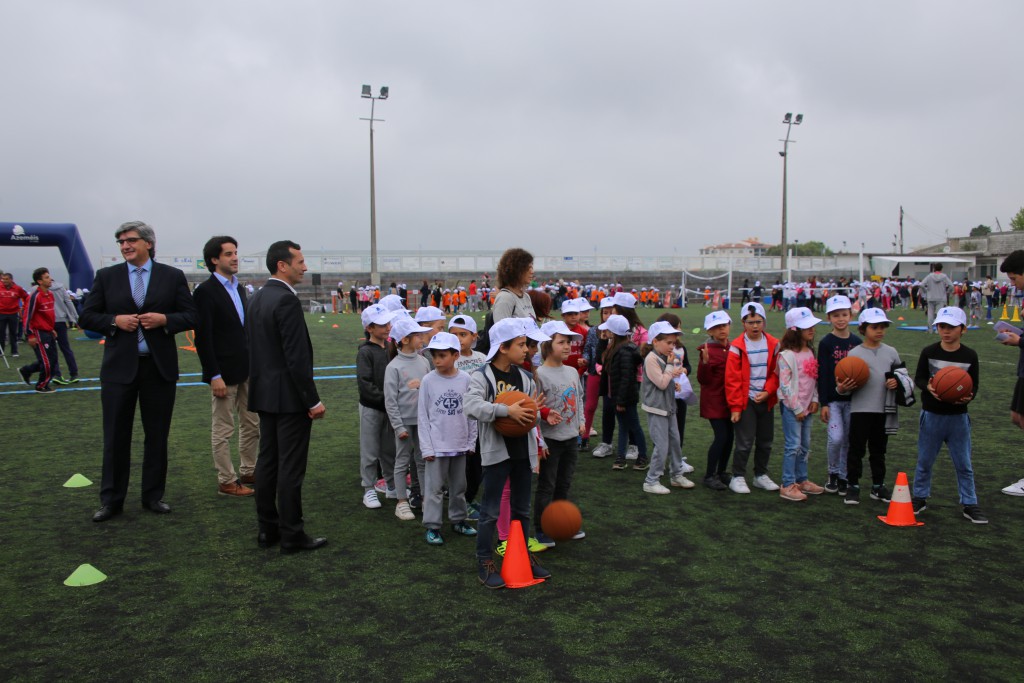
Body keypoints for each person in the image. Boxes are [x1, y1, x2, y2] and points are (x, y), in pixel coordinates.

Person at [80, 221, 198, 522]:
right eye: (120, 241)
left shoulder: (172, 277)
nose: (124, 246)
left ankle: (153, 496)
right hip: (118, 370)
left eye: (130, 240)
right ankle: (111, 500)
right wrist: (114, 321)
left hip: (158, 370)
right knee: (115, 436)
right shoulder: (107, 277)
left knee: (156, 436)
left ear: (148, 243)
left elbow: (191, 315)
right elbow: (87, 316)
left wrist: (165, 320)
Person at [247, 240, 327, 553]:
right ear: (283, 264)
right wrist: (312, 400)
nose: (305, 267)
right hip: (290, 399)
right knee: (290, 468)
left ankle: (268, 529)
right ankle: (292, 534)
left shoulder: (256, 298)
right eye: (300, 261)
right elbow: (296, 358)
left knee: (267, 463)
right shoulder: (286, 301)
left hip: (264, 394)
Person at [465, 317, 548, 589]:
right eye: (521, 344)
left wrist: (533, 413)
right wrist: (505, 410)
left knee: (522, 510)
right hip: (496, 454)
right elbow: (472, 406)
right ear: (503, 347)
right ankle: (484, 561)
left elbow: (530, 419)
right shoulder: (481, 376)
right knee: (489, 512)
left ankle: (523, 554)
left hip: (522, 453)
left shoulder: (525, 378)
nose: (527, 350)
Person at [193, 236, 258, 498]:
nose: (235, 258)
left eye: (236, 253)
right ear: (214, 259)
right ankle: (227, 480)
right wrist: (214, 375)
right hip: (223, 374)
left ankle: (249, 470)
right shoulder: (205, 292)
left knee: (252, 423)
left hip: (247, 369)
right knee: (223, 429)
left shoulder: (239, 288)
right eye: (229, 254)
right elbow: (203, 337)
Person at [911, 306, 986, 523]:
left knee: (964, 463)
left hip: (958, 418)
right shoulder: (929, 351)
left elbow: (974, 386)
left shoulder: (970, 355)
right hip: (932, 415)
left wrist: (968, 397)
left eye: (951, 327)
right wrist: (929, 388)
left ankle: (970, 503)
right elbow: (920, 378)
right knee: (925, 460)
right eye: (942, 326)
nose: (946, 331)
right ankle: (920, 497)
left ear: (963, 329)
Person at [418, 331, 479, 545]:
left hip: (460, 445)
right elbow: (423, 416)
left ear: (455, 356)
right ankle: (433, 526)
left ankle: (458, 520)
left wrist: (471, 442)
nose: (436, 360)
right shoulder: (428, 380)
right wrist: (427, 447)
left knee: (459, 487)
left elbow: (472, 414)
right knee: (434, 490)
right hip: (437, 447)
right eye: (434, 355)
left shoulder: (466, 379)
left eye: (442, 355)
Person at [838, 307, 900, 506]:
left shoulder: (891, 352)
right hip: (860, 410)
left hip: (883, 410)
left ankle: (878, 486)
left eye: (883, 326)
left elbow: (904, 378)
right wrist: (841, 388)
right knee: (856, 450)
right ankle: (853, 485)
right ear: (863, 329)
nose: (879, 330)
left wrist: (896, 382)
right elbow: (843, 386)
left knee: (879, 450)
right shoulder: (854, 354)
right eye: (875, 327)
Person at [533, 320, 586, 544]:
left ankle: (560, 523)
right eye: (561, 342)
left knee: (564, 483)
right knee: (547, 485)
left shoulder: (573, 371)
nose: (567, 347)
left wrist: (581, 421)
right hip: (551, 441)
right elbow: (534, 410)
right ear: (546, 345)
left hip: (571, 437)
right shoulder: (539, 375)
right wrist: (540, 443)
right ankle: (542, 529)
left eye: (569, 343)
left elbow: (579, 398)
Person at [725, 302, 780, 494]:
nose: (755, 326)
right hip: (745, 399)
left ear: (764, 322)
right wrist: (735, 407)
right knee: (745, 441)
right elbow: (732, 378)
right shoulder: (737, 346)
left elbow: (776, 372)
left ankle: (760, 475)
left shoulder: (773, 344)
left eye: (758, 322)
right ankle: (737, 476)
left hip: (765, 399)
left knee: (766, 440)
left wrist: (768, 391)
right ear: (743, 323)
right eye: (751, 322)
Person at [385, 316, 434, 521]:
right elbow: (390, 400)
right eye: (418, 335)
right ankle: (401, 502)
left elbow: (430, 392)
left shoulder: (424, 361)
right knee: (402, 460)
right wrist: (398, 426)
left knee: (422, 460)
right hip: (404, 423)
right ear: (405, 340)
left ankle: (425, 498)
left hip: (422, 421)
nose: (423, 338)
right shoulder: (394, 367)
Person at [776, 307, 825, 501]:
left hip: (807, 406)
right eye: (807, 326)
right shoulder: (786, 355)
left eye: (812, 325)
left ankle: (802, 479)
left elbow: (813, 378)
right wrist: (796, 408)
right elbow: (785, 385)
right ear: (794, 329)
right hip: (792, 407)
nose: (812, 329)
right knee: (793, 445)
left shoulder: (810, 351)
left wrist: (814, 399)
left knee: (805, 445)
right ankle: (788, 484)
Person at [639, 320, 693, 494]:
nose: (672, 346)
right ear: (655, 341)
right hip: (657, 409)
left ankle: (676, 474)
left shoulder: (664, 357)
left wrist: (674, 384)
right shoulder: (651, 359)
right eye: (668, 342)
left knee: (675, 442)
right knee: (661, 445)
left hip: (669, 407)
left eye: (674, 343)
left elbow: (666, 381)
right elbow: (661, 383)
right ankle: (651, 480)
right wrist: (670, 370)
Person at [816, 295, 861, 496]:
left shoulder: (857, 342)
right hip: (834, 400)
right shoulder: (826, 343)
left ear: (850, 315)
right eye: (836, 315)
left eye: (844, 314)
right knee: (836, 438)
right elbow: (823, 374)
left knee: (849, 439)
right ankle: (832, 472)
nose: (841, 319)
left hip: (854, 400)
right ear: (829, 317)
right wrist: (824, 402)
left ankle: (844, 475)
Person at [356, 303, 399, 509]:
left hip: (390, 408)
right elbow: (365, 384)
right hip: (372, 408)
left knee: (390, 449)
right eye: (381, 325)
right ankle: (369, 489)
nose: (387, 327)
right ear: (370, 328)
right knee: (370, 449)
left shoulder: (392, 348)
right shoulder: (365, 352)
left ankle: (391, 486)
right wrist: (387, 400)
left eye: (388, 323)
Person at [602, 314, 647, 471]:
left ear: (614, 333)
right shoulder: (619, 348)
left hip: (625, 398)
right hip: (619, 396)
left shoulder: (625, 351)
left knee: (634, 426)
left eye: (608, 330)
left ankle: (642, 456)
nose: (605, 332)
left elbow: (626, 378)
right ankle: (621, 456)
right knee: (623, 426)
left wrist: (621, 401)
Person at [697, 310, 733, 490]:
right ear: (709, 331)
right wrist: (704, 363)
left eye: (724, 325)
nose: (721, 330)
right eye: (716, 327)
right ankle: (710, 474)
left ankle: (721, 472)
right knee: (722, 436)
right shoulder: (707, 350)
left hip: (730, 401)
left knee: (730, 437)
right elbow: (703, 380)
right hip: (714, 401)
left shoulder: (732, 347)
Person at [19, 267, 58, 394]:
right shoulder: (35, 296)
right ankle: (41, 385)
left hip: (48, 331)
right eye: (46, 277)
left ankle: (26, 370)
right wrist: (30, 335)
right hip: (38, 333)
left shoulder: (50, 295)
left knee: (52, 360)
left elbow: (49, 315)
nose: (50, 279)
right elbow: (27, 316)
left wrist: (51, 329)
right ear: (39, 281)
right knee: (47, 362)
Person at [48, 279, 80, 385]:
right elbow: (69, 302)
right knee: (66, 348)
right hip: (61, 320)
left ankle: (57, 374)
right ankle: (74, 373)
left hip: (48, 321)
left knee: (52, 350)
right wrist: (76, 318)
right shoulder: (61, 287)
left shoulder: (40, 289)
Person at [491, 248, 537, 322]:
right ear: (516, 270)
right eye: (528, 267)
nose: (532, 271)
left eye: (532, 267)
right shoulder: (505, 298)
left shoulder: (526, 296)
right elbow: (502, 331)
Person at [0, 272, 29, 358]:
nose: (4, 281)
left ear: (11, 280)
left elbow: (26, 297)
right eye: (3, 279)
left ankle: (14, 351)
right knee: (1, 333)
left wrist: (23, 307)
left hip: (13, 313)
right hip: (1, 313)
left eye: (6, 279)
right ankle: (1, 352)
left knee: (13, 333)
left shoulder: (18, 288)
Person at [920, 264, 953, 332]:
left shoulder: (929, 276)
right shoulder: (944, 276)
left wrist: (926, 291)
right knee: (939, 314)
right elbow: (951, 286)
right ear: (941, 269)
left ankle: (930, 329)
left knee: (930, 314)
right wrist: (947, 292)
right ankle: (938, 330)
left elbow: (922, 285)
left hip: (931, 297)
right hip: (941, 297)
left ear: (934, 268)